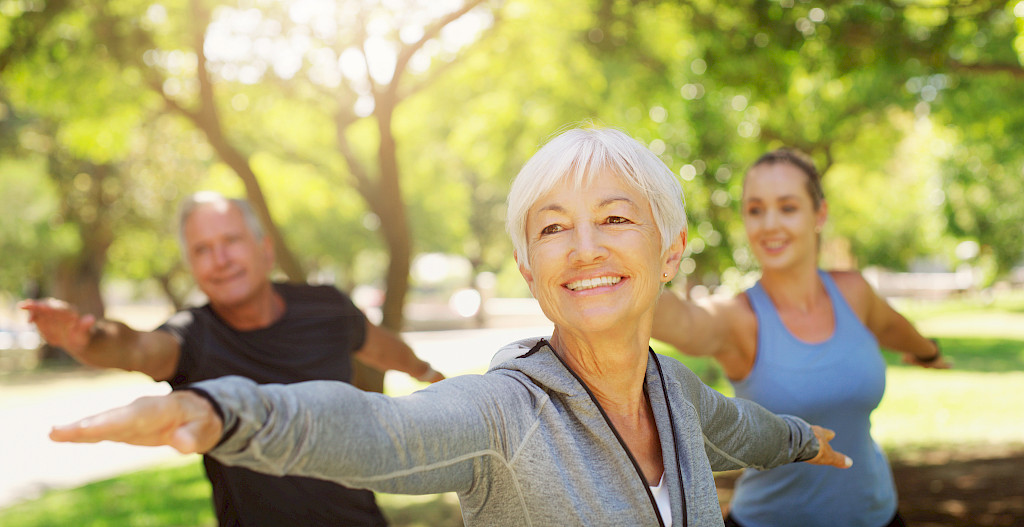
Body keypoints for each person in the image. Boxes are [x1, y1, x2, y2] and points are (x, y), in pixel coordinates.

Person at [49, 127, 853, 527]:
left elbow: (739, 428)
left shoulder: (676, 392)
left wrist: (799, 439)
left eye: (615, 217)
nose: (585, 248)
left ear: (670, 247)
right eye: (551, 229)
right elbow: (379, 428)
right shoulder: (508, 413)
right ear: (528, 267)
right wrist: (228, 412)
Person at [22, 191, 444, 527]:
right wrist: (87, 336)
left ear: (264, 249)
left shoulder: (325, 308)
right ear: (192, 266)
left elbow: (382, 347)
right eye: (203, 250)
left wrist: (425, 373)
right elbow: (134, 347)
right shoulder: (192, 336)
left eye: (230, 242)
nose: (220, 259)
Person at [652, 148, 951, 527]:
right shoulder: (737, 319)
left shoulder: (854, 293)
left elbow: (895, 329)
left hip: (878, 515)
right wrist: (626, 273)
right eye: (755, 210)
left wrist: (928, 353)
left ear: (819, 214)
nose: (769, 224)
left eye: (788, 207)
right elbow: (683, 321)